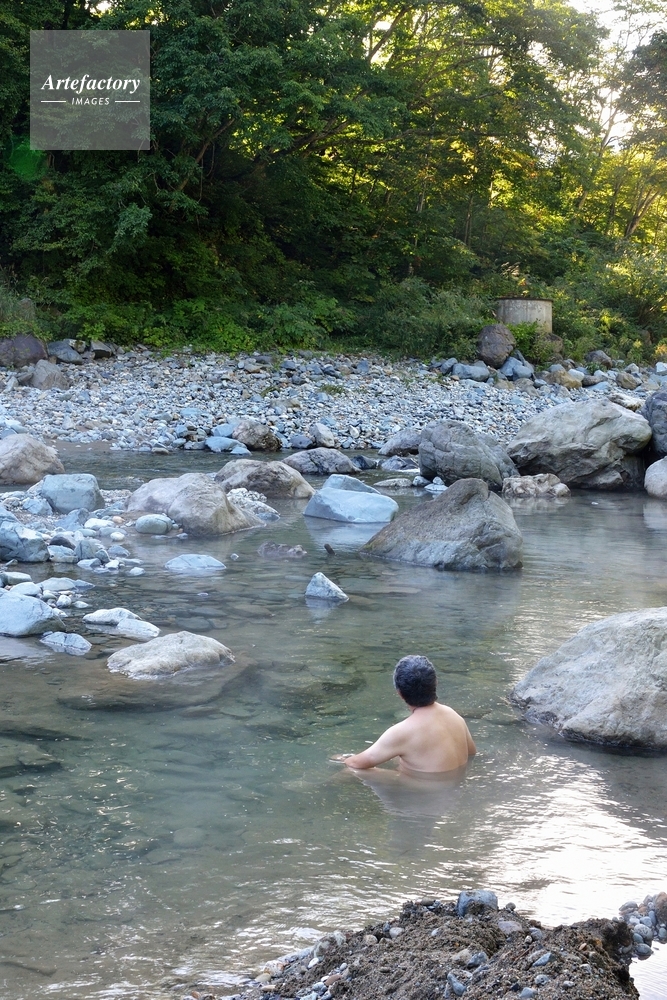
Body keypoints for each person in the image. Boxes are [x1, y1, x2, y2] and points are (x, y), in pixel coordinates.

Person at [332, 655, 476, 774]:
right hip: (453, 788)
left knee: (352, 770)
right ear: (435, 683)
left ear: (400, 693)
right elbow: (471, 753)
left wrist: (343, 760)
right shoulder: (454, 715)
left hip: (423, 789)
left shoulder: (403, 731)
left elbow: (357, 763)